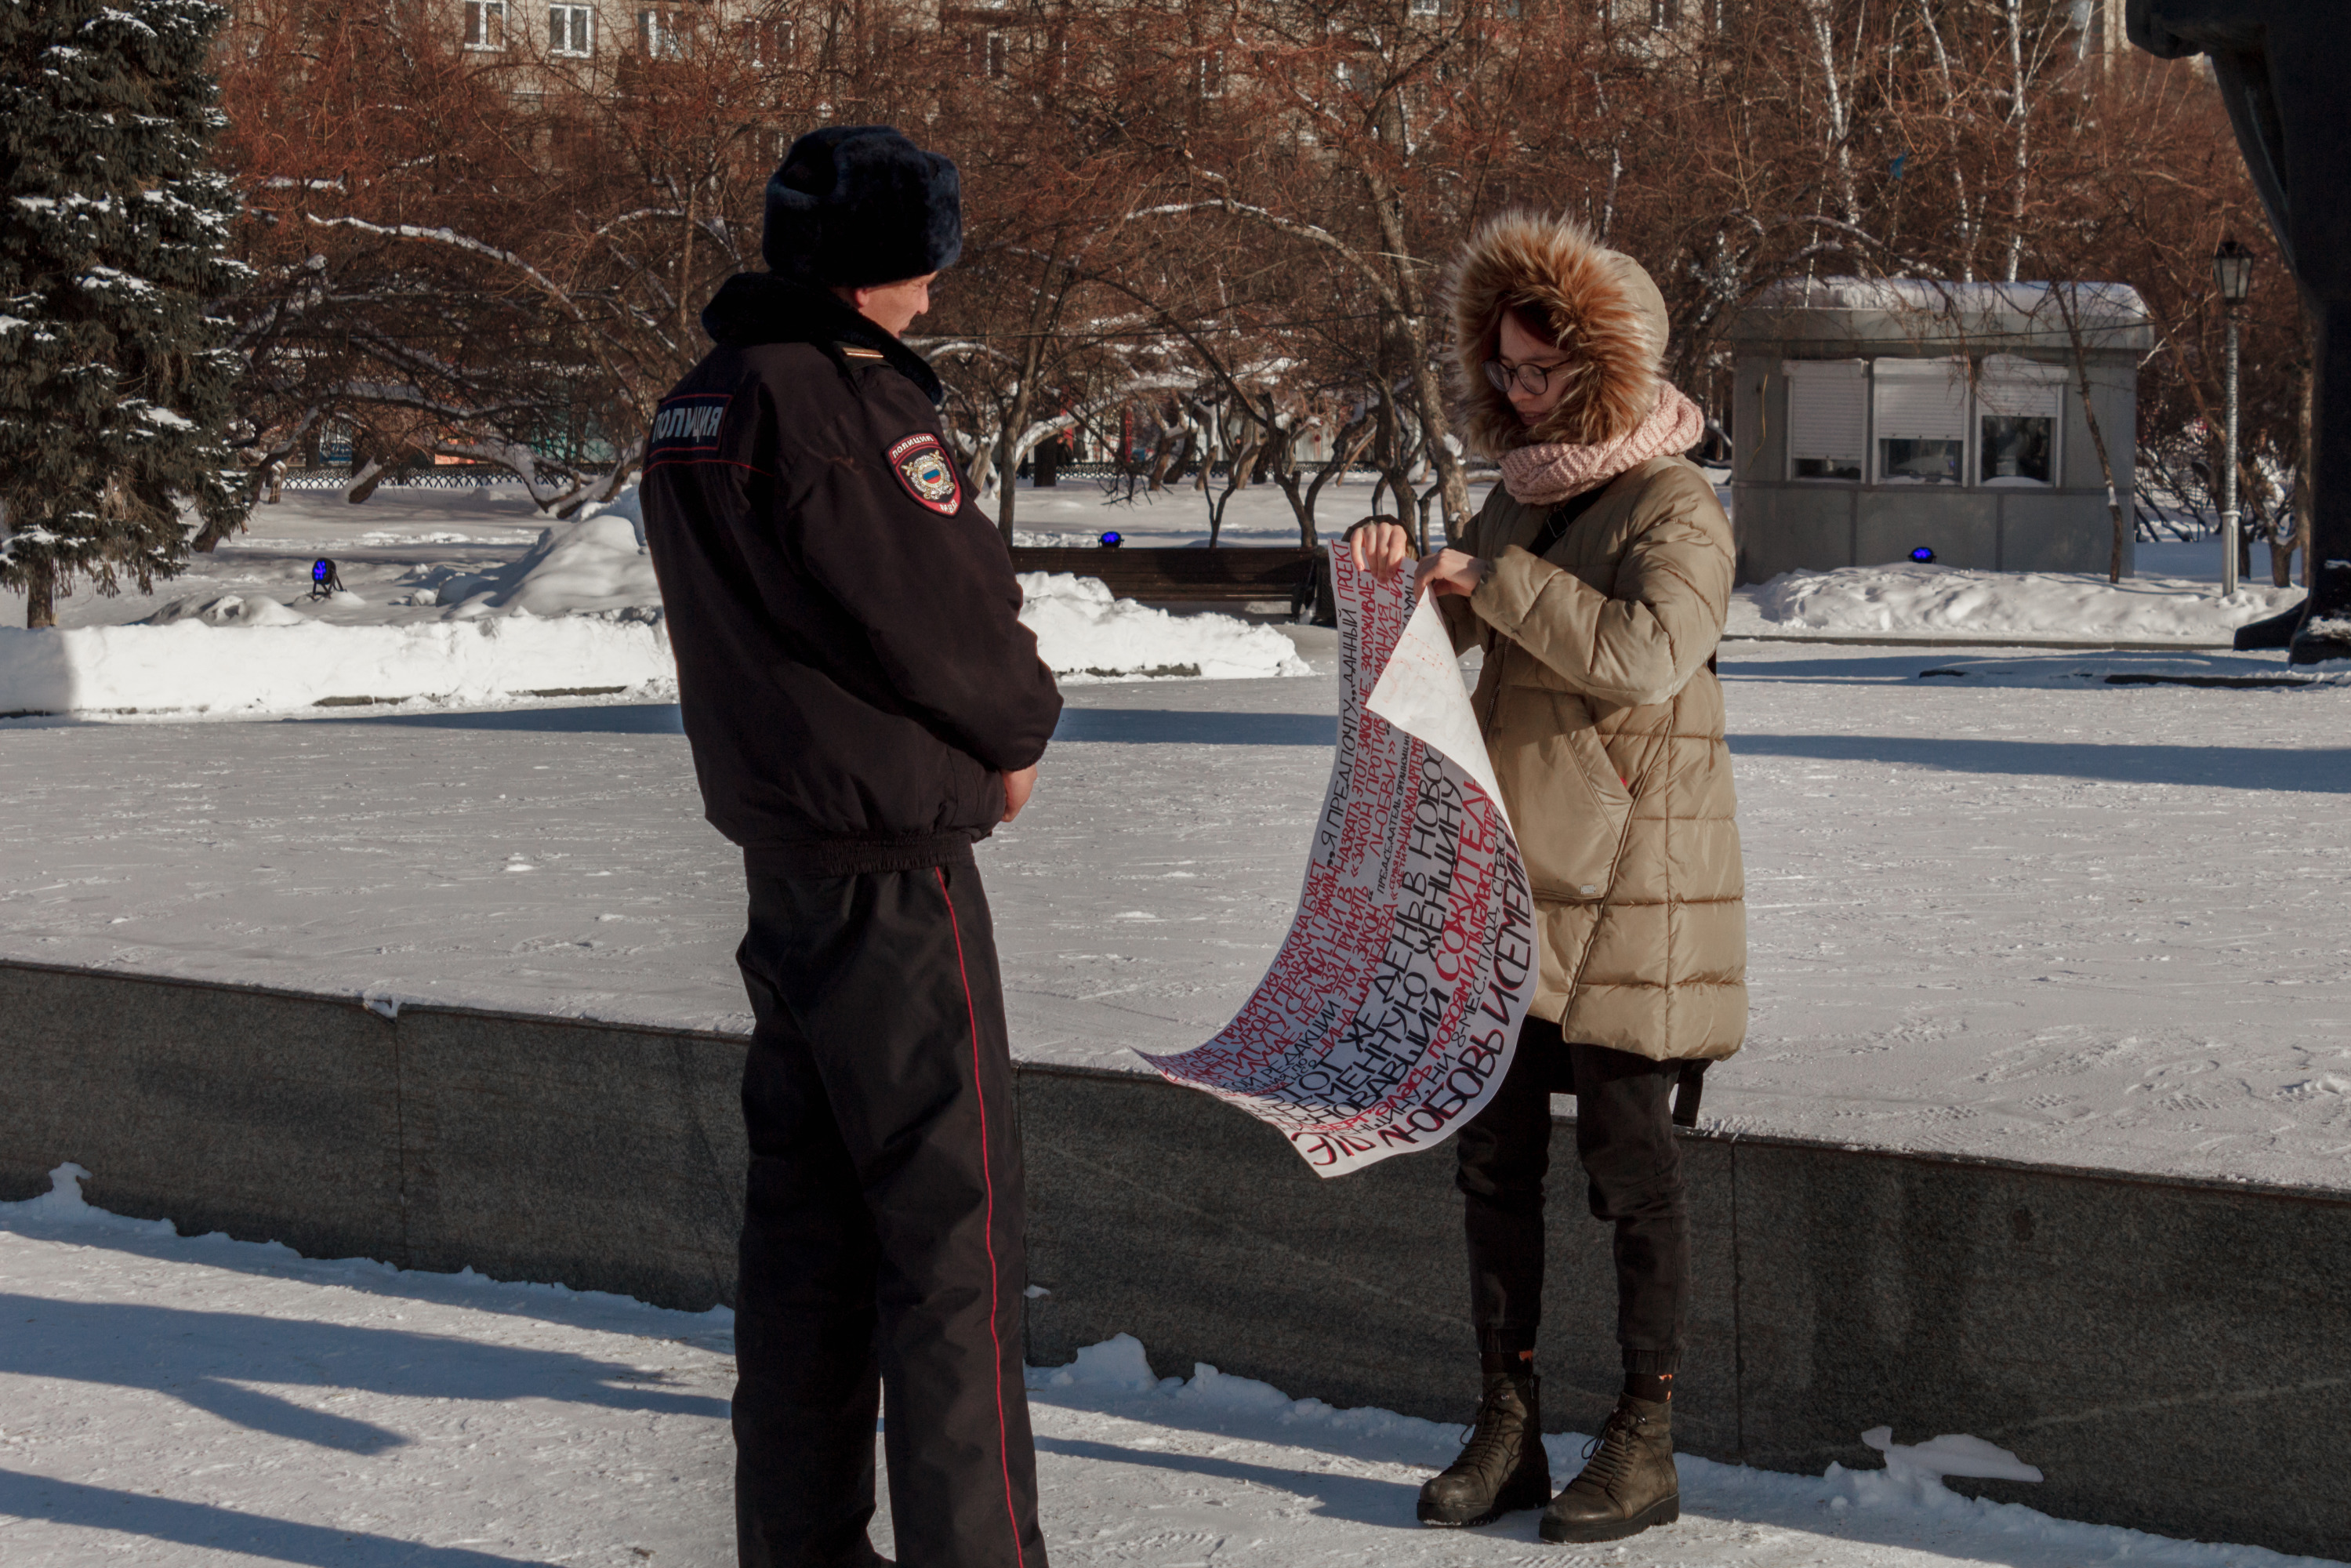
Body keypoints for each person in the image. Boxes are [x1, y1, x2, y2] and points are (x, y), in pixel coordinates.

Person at [639, 125, 1062, 1568]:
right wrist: (1016, 733)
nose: (933, 297)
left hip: (786, 856)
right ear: (883, 257)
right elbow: (936, 614)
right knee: (955, 1242)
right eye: (923, 262)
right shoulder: (845, 403)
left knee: (807, 1237)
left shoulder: (702, 400)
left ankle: (800, 1545)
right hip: (893, 868)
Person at [1350, 210, 1746, 1545]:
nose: (1521, 394)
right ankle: (1506, 1422)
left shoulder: (1678, 502)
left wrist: (1495, 576)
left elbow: (1644, 652)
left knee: (1632, 1173)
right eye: (1506, 371)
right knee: (1494, 1162)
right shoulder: (1522, 492)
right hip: (1515, 880)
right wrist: (1406, 578)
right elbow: (1467, 626)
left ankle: (1646, 1435)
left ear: (1609, 368)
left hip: (1638, 884)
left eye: (1546, 372)